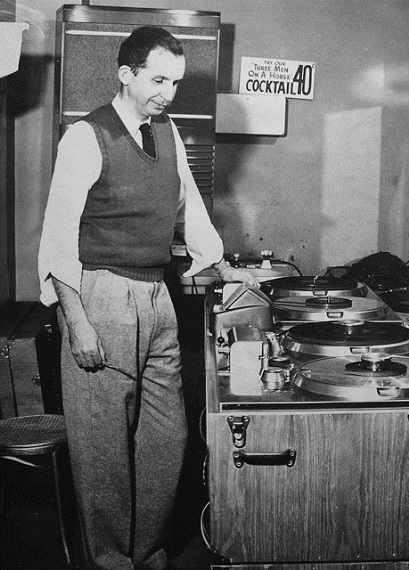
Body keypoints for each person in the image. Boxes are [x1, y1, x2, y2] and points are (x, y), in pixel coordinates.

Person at [38, 26, 258, 570]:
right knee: (104, 448)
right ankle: (113, 560)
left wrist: (216, 260)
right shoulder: (86, 136)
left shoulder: (168, 132)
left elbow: (190, 206)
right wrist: (77, 322)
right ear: (126, 73)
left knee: (167, 435)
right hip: (100, 294)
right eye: (157, 80)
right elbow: (58, 236)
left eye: (175, 82)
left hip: (158, 296)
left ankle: (146, 549)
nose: (167, 92)